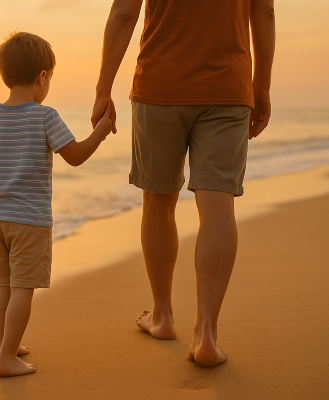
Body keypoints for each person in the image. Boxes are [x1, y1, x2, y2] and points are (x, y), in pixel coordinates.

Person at [91, 0, 276, 367]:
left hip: (160, 85)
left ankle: (161, 315)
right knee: (218, 205)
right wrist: (262, 87)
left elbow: (124, 14)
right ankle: (206, 331)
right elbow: (264, 12)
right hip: (227, 88)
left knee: (158, 202)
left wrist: (102, 88)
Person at [0, 31, 113, 377]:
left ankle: (3, 346)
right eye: (50, 78)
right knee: (23, 289)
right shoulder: (45, 116)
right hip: (29, 220)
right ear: (43, 77)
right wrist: (100, 130)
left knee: (2, 286)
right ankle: (8, 358)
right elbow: (76, 156)